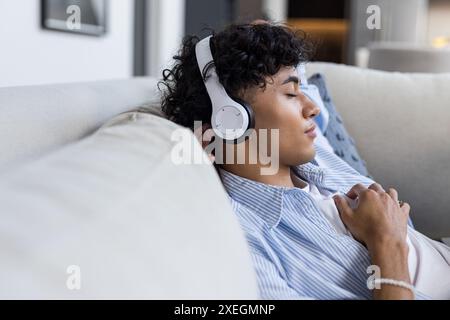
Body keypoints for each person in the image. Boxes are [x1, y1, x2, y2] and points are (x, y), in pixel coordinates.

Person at [160, 22, 450, 300]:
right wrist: (387, 241)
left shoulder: (311, 157)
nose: (312, 108)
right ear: (231, 119)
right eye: (290, 93)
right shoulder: (247, 240)